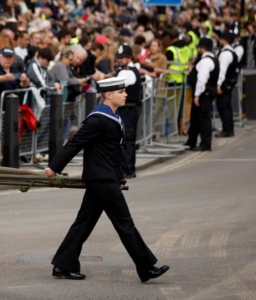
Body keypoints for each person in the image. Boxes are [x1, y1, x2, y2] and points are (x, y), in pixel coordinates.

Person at [44, 76, 169, 283]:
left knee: (83, 224)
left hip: (104, 178)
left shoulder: (112, 116)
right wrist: (54, 167)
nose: (125, 94)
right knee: (125, 224)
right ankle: (146, 267)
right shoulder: (99, 118)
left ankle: (63, 265)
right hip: (101, 180)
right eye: (121, 92)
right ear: (108, 95)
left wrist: (119, 177)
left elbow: (111, 153)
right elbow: (76, 143)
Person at [185, 37, 219, 151]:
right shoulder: (212, 58)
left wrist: (197, 95)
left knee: (203, 118)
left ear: (202, 48)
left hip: (204, 93)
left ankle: (205, 143)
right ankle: (191, 141)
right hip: (207, 91)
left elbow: (202, 79)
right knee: (195, 118)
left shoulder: (205, 61)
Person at [114, 44, 142, 179]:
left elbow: (116, 87)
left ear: (129, 57)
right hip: (129, 109)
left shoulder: (127, 71)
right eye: (119, 57)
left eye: (123, 57)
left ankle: (127, 169)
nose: (120, 60)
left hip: (128, 109)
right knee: (127, 139)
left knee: (126, 140)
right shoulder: (130, 69)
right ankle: (128, 168)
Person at [215, 32, 238, 139]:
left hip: (225, 83)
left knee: (223, 106)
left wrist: (218, 84)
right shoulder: (231, 51)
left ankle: (226, 129)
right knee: (227, 106)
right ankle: (229, 129)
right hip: (229, 82)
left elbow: (222, 71)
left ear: (223, 40)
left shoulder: (225, 54)